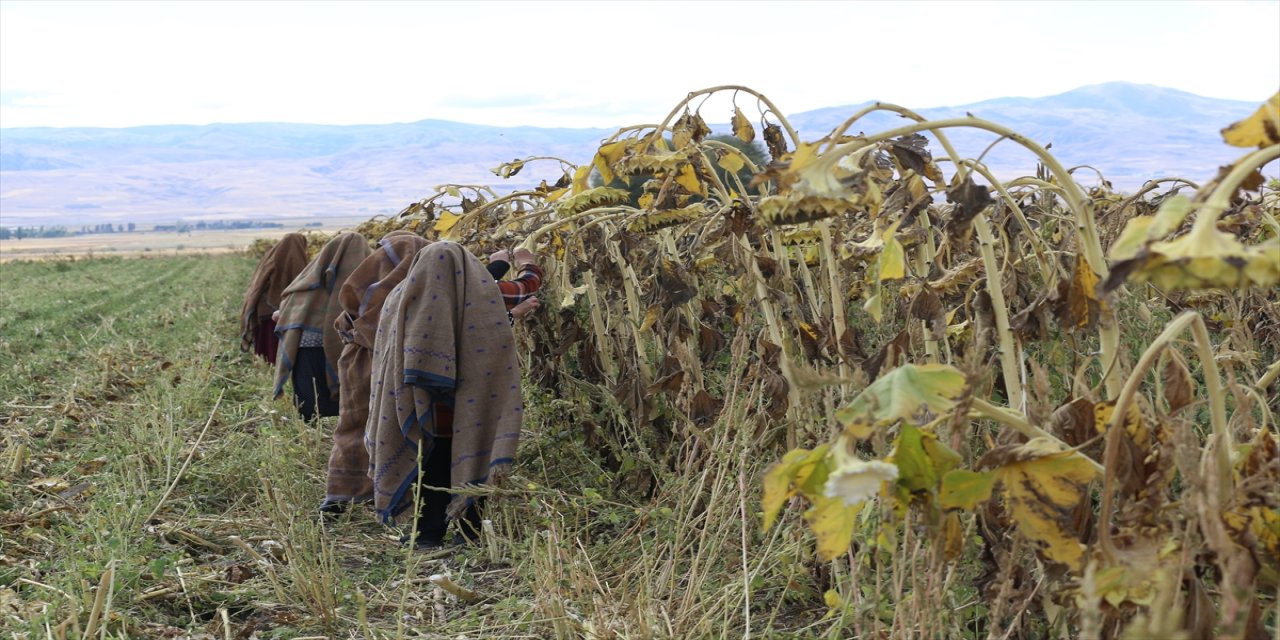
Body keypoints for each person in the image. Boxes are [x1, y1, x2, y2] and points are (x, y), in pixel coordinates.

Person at [366, 241, 526, 548]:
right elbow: (520, 291)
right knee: (473, 460)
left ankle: (426, 535)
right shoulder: (475, 297)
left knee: (430, 473)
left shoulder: (400, 297)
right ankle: (469, 533)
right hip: (466, 406)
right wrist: (526, 263)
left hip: (416, 404)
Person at [321, 231, 431, 513]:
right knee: (390, 428)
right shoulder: (418, 287)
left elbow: (343, 321)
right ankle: (391, 491)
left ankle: (340, 493)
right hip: (391, 367)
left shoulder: (363, 284)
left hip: (355, 364)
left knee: (353, 425)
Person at [273, 232, 372, 422]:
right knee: (347, 393)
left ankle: (309, 426)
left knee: (310, 397)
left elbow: (280, 315)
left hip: (307, 349)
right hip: (349, 349)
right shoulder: (367, 284)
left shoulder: (307, 282)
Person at [239, 233, 308, 365]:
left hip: (264, 309)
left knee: (267, 343)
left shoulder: (270, 258)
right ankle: (276, 369)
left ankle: (266, 366)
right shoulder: (297, 259)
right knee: (276, 345)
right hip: (281, 311)